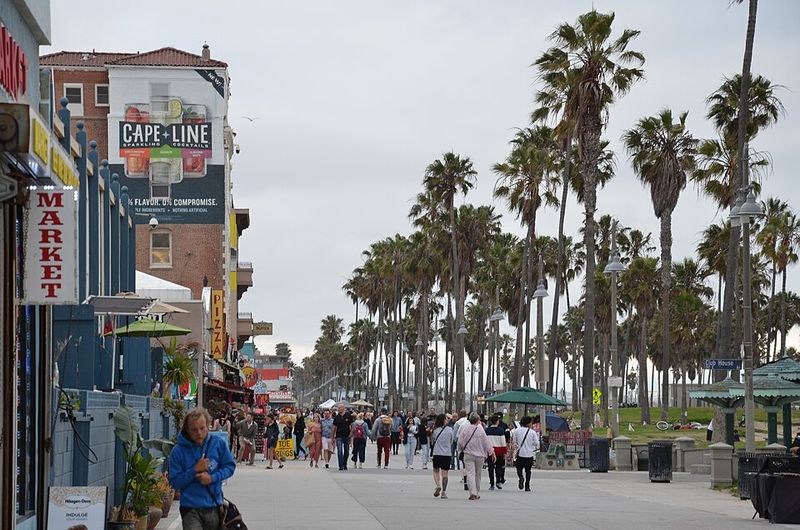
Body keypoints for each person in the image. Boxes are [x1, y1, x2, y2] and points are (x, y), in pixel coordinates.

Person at [169, 407, 235, 530]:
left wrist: (212, 478)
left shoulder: (218, 443)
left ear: (208, 425)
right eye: (194, 430)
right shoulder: (178, 451)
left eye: (202, 428)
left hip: (214, 506)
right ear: (187, 429)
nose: (199, 433)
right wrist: (194, 470)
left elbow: (230, 466)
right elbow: (174, 482)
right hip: (190, 508)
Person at [457, 412, 495, 500]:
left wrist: (460, 450)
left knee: (470, 474)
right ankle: (477, 492)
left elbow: (460, 441)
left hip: (468, 454)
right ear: (478, 420)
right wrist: (491, 452)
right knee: (478, 474)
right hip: (480, 455)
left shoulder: (465, 429)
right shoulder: (480, 429)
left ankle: (472, 492)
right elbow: (486, 442)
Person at [511, 416, 540, 492]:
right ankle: (527, 486)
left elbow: (514, 442)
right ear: (528, 423)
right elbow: (537, 443)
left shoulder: (516, 431)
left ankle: (520, 477)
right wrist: (531, 444)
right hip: (529, 454)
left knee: (519, 468)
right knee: (528, 470)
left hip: (520, 454)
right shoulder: (532, 432)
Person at [431, 413, 453, 499]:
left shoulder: (435, 430)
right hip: (447, 454)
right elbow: (452, 440)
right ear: (444, 420)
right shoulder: (450, 430)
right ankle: (444, 492)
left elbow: (433, 440)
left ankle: (437, 485)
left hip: (437, 453)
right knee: (445, 473)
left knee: (436, 470)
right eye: (446, 419)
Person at [485, 414, 508, 490]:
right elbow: (503, 442)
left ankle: (491, 483)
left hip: (490, 451)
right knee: (499, 467)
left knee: (490, 467)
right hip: (499, 451)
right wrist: (504, 452)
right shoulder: (501, 430)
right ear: (497, 421)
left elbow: (485, 441)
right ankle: (498, 481)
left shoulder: (487, 430)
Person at [333, 404, 353, 471]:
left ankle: (344, 463)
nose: (338, 409)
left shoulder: (348, 416)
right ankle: (340, 465)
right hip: (339, 436)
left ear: (343, 408)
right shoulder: (336, 417)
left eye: (339, 408)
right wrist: (332, 437)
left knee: (346, 452)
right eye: (338, 408)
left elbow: (352, 425)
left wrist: (351, 434)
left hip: (347, 436)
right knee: (339, 451)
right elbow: (334, 427)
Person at [453, 410, 469, 489]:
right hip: (469, 444)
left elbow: (455, 434)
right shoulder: (468, 422)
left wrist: (455, 441)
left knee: (462, 460)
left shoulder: (458, 423)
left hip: (461, 443)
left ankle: (463, 476)